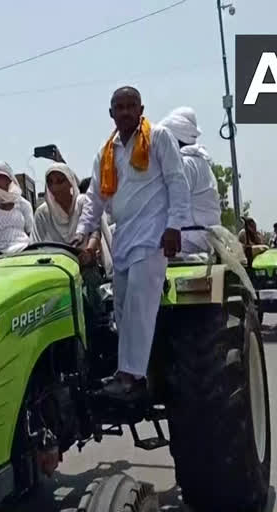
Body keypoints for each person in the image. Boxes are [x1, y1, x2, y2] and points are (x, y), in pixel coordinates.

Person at [74, 86, 190, 399]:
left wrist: (174, 226)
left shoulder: (159, 137)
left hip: (153, 234)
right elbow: (94, 200)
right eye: (119, 107)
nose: (125, 111)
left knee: (140, 303)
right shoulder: (106, 152)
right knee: (123, 309)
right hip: (124, 236)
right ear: (111, 113)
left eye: (130, 106)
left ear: (141, 109)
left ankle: (131, 376)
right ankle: (131, 373)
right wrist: (82, 233)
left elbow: (177, 181)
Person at [158, 107, 221, 254]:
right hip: (202, 237)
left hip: (191, 240)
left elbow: (171, 202)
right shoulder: (199, 162)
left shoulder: (186, 164)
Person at [32, 163, 112, 271]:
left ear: (70, 182)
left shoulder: (83, 202)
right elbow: (36, 243)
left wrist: (89, 251)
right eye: (50, 182)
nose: (54, 187)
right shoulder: (42, 213)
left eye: (60, 181)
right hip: (55, 268)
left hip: (84, 264)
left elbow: (95, 230)